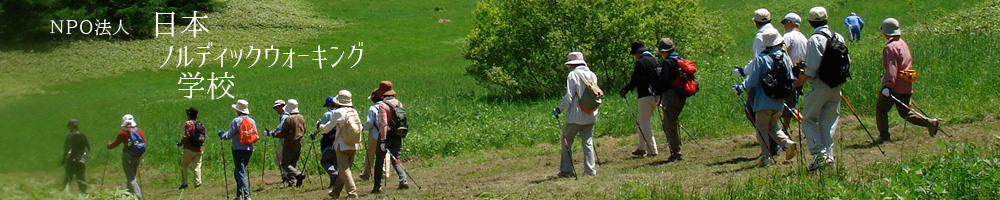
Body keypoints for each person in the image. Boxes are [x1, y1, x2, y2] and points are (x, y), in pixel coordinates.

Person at [792, 6, 848, 172]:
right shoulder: (838, 36)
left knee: (808, 119)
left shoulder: (815, 39)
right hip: (836, 85)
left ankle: (819, 154)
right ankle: (828, 156)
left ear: (810, 22)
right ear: (827, 19)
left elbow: (812, 68)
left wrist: (799, 82)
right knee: (828, 122)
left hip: (820, 85)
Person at [734, 29, 799, 166]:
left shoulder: (762, 59)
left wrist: (741, 88)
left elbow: (753, 79)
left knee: (761, 128)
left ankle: (766, 157)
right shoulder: (784, 57)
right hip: (780, 98)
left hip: (764, 99)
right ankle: (787, 143)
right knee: (773, 125)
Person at [874, 18, 940, 144]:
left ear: (885, 32)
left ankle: (884, 136)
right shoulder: (903, 43)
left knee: (881, 109)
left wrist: (887, 86)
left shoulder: (890, 47)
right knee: (905, 112)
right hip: (907, 83)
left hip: (895, 85)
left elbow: (892, 69)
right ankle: (930, 122)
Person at [553, 52, 599, 177]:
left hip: (576, 115)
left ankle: (567, 170)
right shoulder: (592, 75)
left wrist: (559, 109)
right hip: (590, 113)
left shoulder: (573, 75)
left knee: (566, 139)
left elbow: (569, 98)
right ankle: (590, 171)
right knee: (588, 142)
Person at [318, 90, 365, 198]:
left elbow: (326, 129)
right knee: (344, 169)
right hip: (354, 143)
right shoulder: (354, 111)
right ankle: (335, 192)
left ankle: (352, 193)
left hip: (342, 145)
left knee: (344, 169)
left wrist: (320, 126)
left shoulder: (338, 112)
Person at [618, 40, 660, 157]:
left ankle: (652, 150)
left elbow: (635, 80)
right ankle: (641, 147)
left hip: (645, 96)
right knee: (639, 120)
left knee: (644, 123)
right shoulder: (656, 61)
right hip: (657, 95)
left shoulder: (641, 62)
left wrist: (625, 89)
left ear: (638, 52)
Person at [372, 80, 411, 193]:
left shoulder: (383, 105)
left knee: (379, 161)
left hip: (387, 135)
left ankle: (377, 187)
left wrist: (383, 140)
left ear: (381, 93)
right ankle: (403, 180)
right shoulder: (399, 103)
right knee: (396, 159)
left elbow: (383, 123)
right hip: (398, 134)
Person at [218, 99, 257, 200]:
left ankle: (246, 195)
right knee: (238, 172)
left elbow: (229, 135)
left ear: (238, 110)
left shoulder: (236, 121)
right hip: (249, 149)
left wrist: (222, 135)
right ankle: (239, 195)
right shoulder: (252, 121)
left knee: (240, 172)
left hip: (237, 149)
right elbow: (255, 136)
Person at [653, 38, 685, 162]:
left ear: (664, 51)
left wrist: (656, 91)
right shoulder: (680, 59)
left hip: (671, 95)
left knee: (669, 124)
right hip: (681, 95)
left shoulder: (667, 62)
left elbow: (664, 81)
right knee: (672, 121)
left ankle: (676, 152)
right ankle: (676, 148)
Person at [780, 13, 809, 134]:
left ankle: (807, 127)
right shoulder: (803, 37)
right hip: (801, 72)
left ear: (790, 23)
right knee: (792, 102)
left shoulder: (788, 36)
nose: (784, 25)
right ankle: (785, 129)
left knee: (788, 104)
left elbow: (782, 53)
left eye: (785, 22)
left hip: (790, 73)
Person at [106, 114, 144, 199]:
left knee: (131, 178)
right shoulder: (139, 131)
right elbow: (143, 142)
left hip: (128, 157)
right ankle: (129, 194)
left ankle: (138, 196)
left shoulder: (123, 133)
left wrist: (108, 146)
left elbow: (115, 144)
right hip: (137, 156)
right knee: (132, 176)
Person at [271, 99, 307, 187]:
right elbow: (304, 130)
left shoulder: (288, 119)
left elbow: (283, 132)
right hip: (298, 143)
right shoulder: (301, 117)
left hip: (289, 144)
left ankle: (298, 175)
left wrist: (274, 135)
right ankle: (294, 182)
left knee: (285, 164)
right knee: (293, 163)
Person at [360, 91, 390, 181]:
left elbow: (369, 122)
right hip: (387, 133)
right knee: (386, 152)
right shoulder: (387, 106)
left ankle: (366, 173)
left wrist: (364, 128)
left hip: (374, 134)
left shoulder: (373, 108)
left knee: (370, 153)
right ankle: (385, 172)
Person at [312, 95, 340, 190]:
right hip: (339, 139)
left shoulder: (327, 115)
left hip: (328, 139)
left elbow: (323, 128)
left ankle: (334, 174)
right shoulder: (340, 112)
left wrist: (315, 131)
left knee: (325, 161)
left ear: (329, 105)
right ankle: (334, 183)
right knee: (335, 161)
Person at [178, 107, 205, 189]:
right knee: (197, 166)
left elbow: (186, 136)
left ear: (189, 115)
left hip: (189, 148)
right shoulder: (199, 124)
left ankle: (184, 183)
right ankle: (198, 182)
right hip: (199, 148)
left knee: (184, 165)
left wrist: (180, 144)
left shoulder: (188, 123)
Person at [62, 119, 90, 193]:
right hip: (81, 161)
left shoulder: (70, 136)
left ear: (70, 127)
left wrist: (64, 160)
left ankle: (64, 194)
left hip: (71, 160)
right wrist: (83, 158)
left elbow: (67, 150)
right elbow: (87, 148)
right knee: (81, 179)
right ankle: (83, 194)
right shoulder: (82, 135)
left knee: (68, 179)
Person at [266, 99, 290, 185]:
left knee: (278, 159)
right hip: (289, 140)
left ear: (281, 107)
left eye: (277, 108)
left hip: (284, 140)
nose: (276, 110)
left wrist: (270, 133)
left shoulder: (284, 117)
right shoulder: (288, 115)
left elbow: (280, 128)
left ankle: (286, 175)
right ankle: (289, 175)